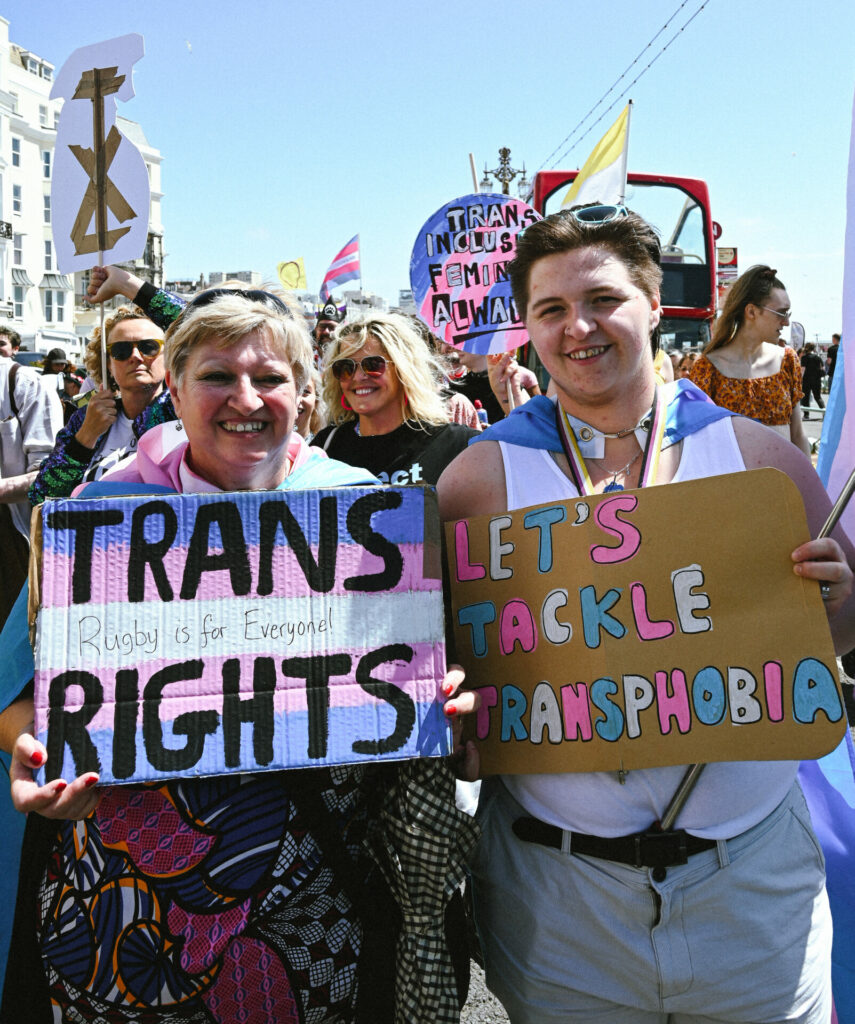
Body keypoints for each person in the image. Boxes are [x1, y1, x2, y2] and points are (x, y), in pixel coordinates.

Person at [0, 289, 476, 1023]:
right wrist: (36, 754)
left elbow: (408, 680)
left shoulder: (365, 514)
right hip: (127, 897)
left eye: (270, 378)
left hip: (319, 895)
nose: (245, 399)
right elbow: (22, 691)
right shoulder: (103, 511)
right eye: (218, 376)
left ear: (305, 394)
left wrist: (437, 703)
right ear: (177, 391)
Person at [436, 206, 855, 1024]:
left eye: (602, 299)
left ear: (654, 305)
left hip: (750, 885)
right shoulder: (477, 480)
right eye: (551, 310)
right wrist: (445, 712)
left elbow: (833, 636)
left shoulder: (755, 457)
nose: (577, 327)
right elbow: (440, 667)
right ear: (526, 328)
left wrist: (835, 600)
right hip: (560, 897)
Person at [312, 312, 478, 486]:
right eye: (346, 368)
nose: (358, 377)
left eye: (373, 365)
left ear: (404, 370)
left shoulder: (456, 444)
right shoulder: (325, 448)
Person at [28, 307, 167, 502]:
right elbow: (41, 497)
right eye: (121, 350)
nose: (135, 356)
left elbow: (198, 317)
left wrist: (126, 285)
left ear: (169, 356)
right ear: (108, 364)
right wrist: (85, 437)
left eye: (149, 347)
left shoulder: (182, 413)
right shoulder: (85, 418)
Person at [689, 265, 810, 455]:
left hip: (783, 482)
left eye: (788, 314)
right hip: (732, 483)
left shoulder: (787, 360)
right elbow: (698, 444)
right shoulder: (707, 368)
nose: (786, 322)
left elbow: (797, 435)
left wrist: (809, 482)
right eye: (781, 313)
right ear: (751, 312)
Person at [800, 342, 825, 419]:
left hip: (807, 380)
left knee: (806, 397)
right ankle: (825, 413)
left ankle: (806, 415)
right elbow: (822, 369)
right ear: (813, 348)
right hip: (817, 380)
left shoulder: (804, 358)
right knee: (818, 397)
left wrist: (800, 379)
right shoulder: (818, 358)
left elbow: (802, 370)